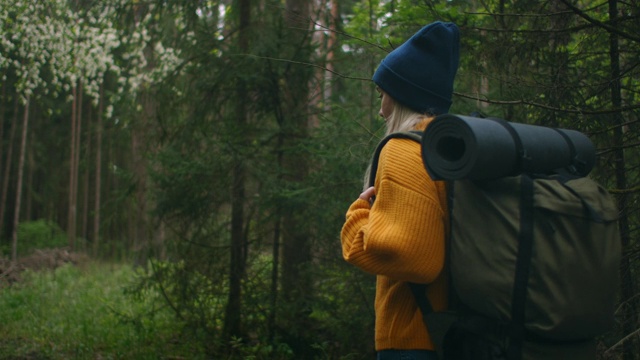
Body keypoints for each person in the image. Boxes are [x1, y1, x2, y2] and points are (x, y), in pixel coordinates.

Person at [340, 21, 460, 360]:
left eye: (383, 95)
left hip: (413, 339)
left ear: (404, 94)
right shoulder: (451, 147)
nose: (381, 109)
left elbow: (415, 260)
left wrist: (357, 220)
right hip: (454, 334)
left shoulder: (403, 149)